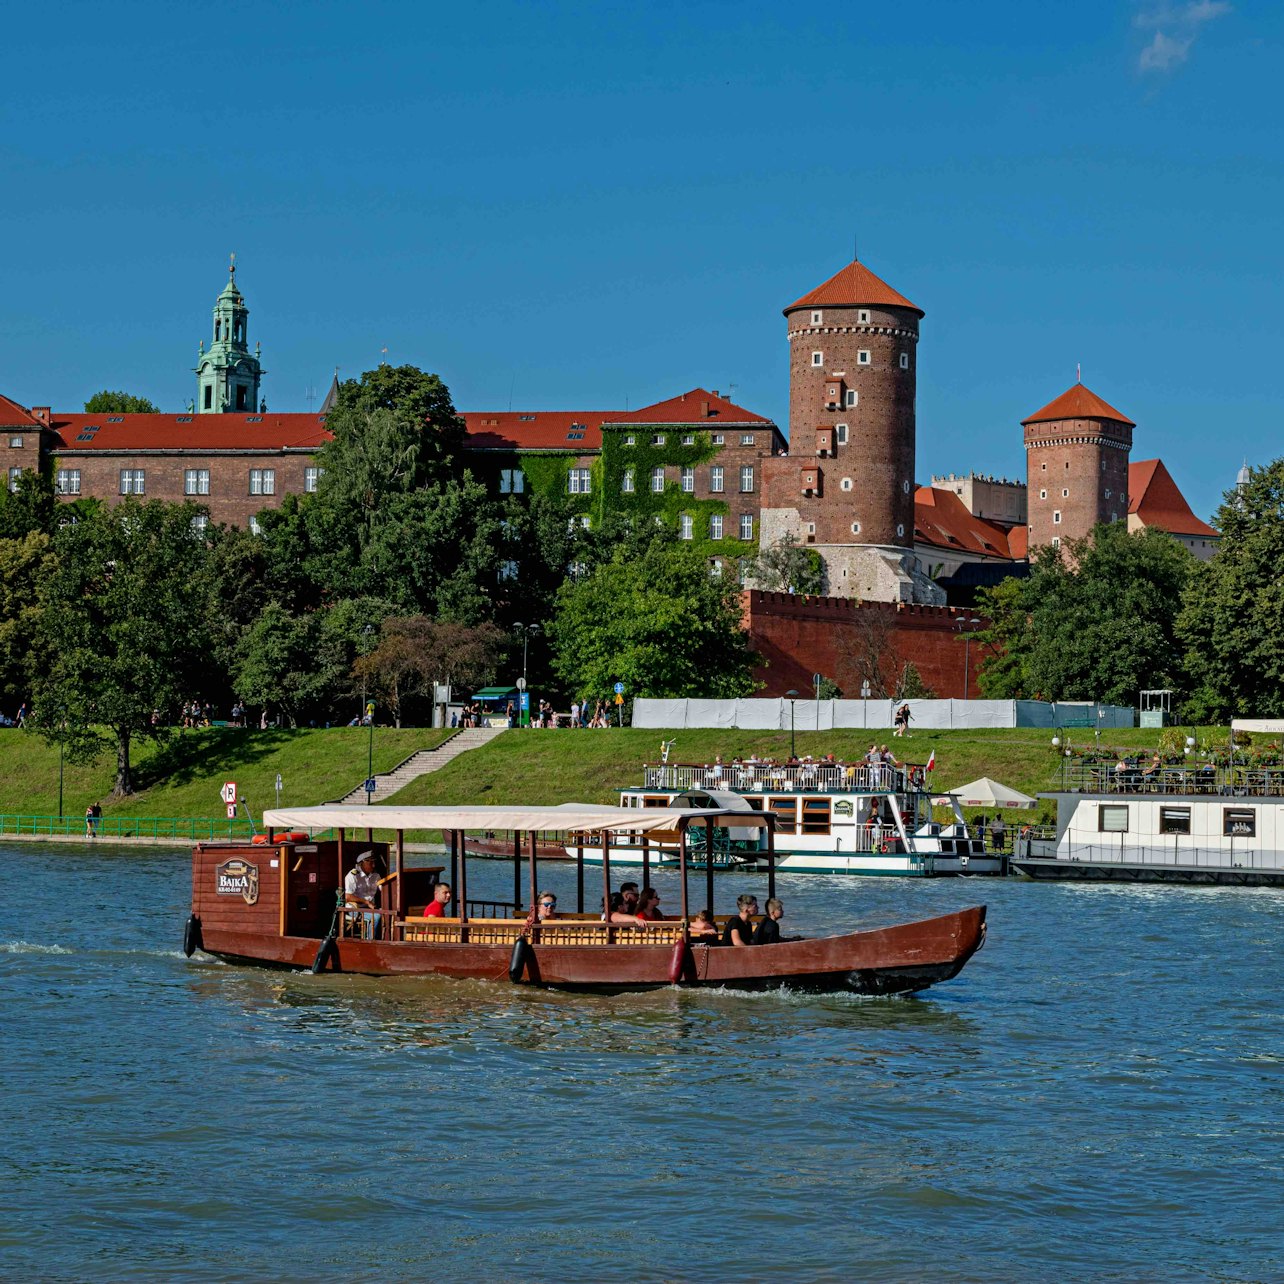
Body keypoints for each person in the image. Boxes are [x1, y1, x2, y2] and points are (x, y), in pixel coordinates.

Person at [344, 850, 382, 938]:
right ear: (362, 863)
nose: (374, 865)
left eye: (374, 862)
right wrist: (366, 902)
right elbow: (348, 897)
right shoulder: (352, 876)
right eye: (370, 863)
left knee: (386, 913)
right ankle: (370, 942)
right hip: (355, 909)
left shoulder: (376, 876)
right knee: (376, 917)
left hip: (370, 908)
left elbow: (384, 889)